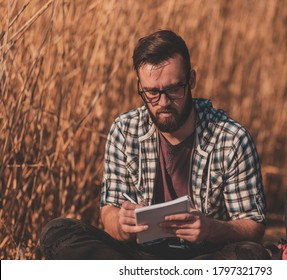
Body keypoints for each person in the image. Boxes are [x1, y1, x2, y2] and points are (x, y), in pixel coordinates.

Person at [40, 30, 267, 260]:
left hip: (203, 258)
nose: (164, 102)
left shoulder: (232, 138)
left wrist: (210, 228)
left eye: (174, 89)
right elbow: (109, 213)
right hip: (140, 256)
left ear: (191, 80)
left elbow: (254, 227)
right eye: (152, 93)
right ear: (140, 86)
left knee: (252, 255)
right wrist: (121, 223)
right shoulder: (124, 130)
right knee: (57, 234)